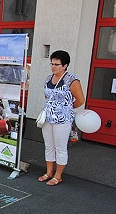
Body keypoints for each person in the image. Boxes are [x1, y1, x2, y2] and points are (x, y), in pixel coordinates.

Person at [38, 50, 84, 186]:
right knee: (49, 146)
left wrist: (65, 108)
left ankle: (58, 175)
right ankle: (49, 172)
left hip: (62, 120)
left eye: (57, 64)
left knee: (60, 147)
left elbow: (80, 100)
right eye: (52, 64)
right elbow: (47, 96)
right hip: (47, 118)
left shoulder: (72, 80)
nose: (53, 67)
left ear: (65, 65)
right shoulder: (48, 78)